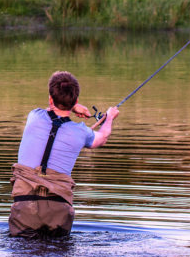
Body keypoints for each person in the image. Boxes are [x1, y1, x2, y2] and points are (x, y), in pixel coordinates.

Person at [9, 70, 119, 238]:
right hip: (59, 208)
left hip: (25, 204)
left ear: (50, 98)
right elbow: (102, 138)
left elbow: (51, 110)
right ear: (75, 99)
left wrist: (72, 105)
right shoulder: (81, 131)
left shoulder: (34, 116)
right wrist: (110, 117)